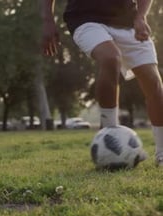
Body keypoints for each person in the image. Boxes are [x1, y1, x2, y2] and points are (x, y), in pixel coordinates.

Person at [41, 0, 163, 166]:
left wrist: (141, 16)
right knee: (111, 58)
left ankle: (162, 153)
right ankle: (109, 134)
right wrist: (48, 20)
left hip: (128, 21)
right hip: (86, 19)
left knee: (154, 84)